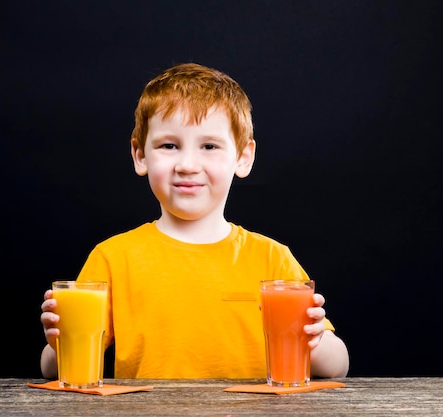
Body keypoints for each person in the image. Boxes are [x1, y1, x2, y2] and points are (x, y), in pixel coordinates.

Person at [40, 63, 350, 379]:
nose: (187, 165)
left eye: (209, 146)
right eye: (169, 146)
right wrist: (57, 343)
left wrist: (315, 339)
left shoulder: (272, 259)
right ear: (140, 155)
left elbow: (338, 365)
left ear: (243, 157)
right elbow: (54, 369)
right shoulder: (113, 259)